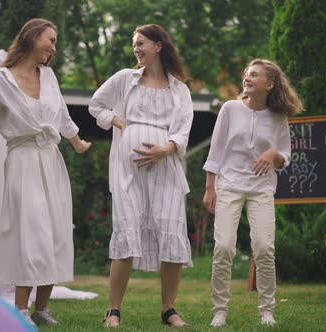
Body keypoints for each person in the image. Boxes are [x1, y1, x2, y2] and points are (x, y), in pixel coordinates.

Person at [0, 18, 91, 327]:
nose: (53, 47)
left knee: (55, 230)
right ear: (31, 36)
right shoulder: (0, 79)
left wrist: (78, 143)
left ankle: (42, 308)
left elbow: (62, 115)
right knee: (29, 232)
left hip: (51, 160)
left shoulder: (49, 76)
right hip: (22, 161)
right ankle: (21, 309)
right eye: (50, 39)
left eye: (55, 42)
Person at [89, 24, 194, 328]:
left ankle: (169, 309)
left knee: (170, 227)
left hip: (166, 166)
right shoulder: (125, 79)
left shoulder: (179, 89)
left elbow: (183, 128)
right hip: (127, 170)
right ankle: (113, 310)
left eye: (141, 43)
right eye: (134, 44)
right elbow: (97, 105)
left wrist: (166, 148)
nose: (136, 48)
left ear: (159, 45)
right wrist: (117, 121)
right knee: (127, 228)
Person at [202, 59, 303, 327]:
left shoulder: (278, 116)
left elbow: (285, 157)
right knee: (223, 248)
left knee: (264, 248)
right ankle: (220, 309)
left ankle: (267, 310)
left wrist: (272, 154)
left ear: (269, 84)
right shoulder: (230, 109)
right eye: (247, 73)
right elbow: (216, 150)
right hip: (229, 185)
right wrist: (210, 187)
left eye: (255, 74)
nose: (248, 77)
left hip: (261, 189)